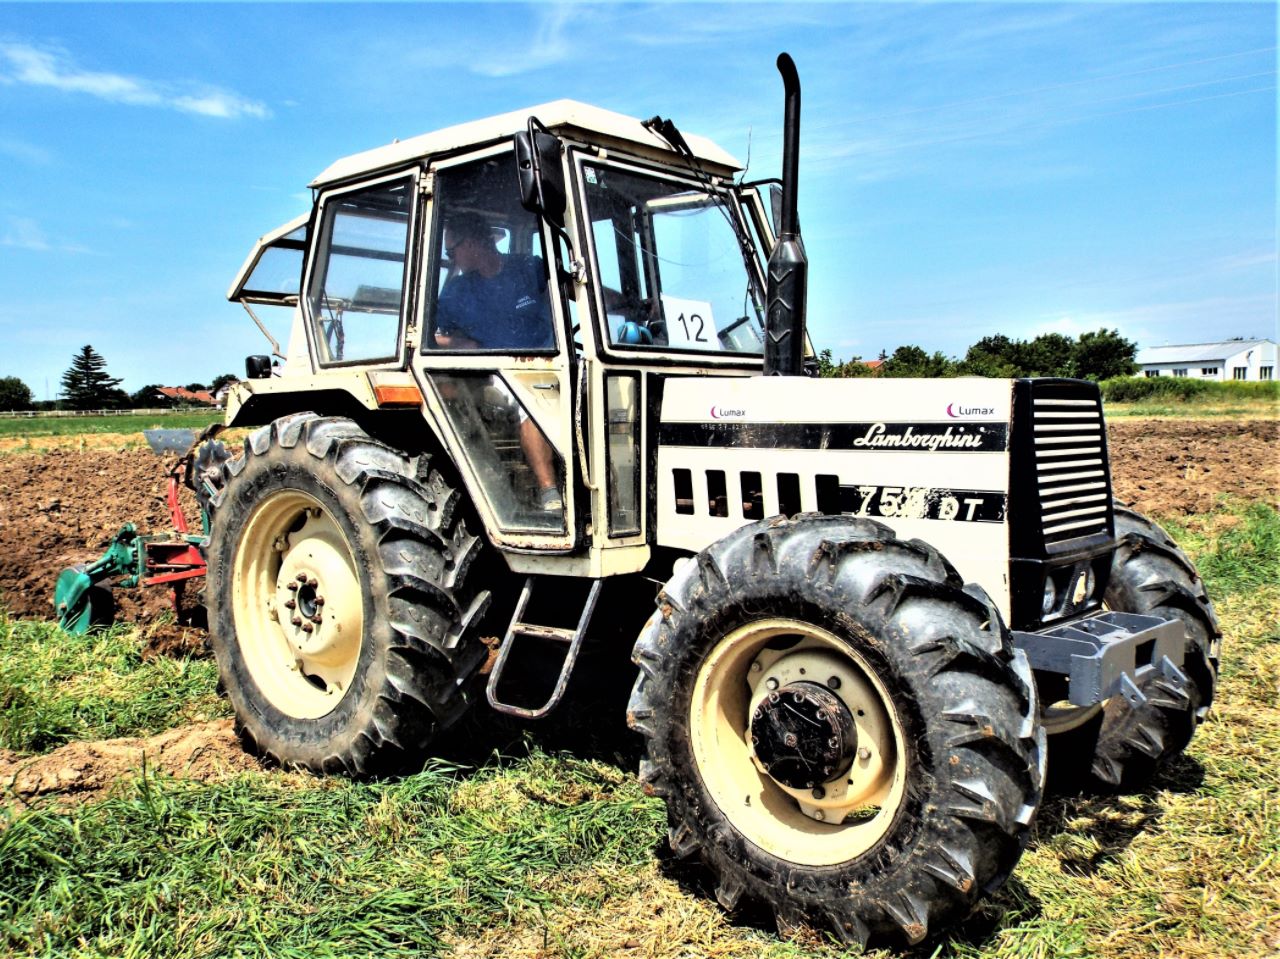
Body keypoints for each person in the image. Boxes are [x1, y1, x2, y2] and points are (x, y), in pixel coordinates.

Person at [434, 213, 562, 511]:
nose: (451, 257)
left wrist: (627, 303)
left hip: (552, 360)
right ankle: (549, 492)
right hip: (498, 372)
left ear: (476, 242)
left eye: (452, 251)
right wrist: (465, 344)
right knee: (529, 398)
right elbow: (427, 336)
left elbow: (574, 291)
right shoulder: (456, 292)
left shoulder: (529, 268)